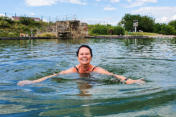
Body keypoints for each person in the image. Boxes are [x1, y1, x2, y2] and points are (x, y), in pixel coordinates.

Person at [17, 44, 145, 86]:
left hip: (95, 81)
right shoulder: (73, 70)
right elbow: (52, 75)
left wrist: (132, 81)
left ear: (91, 56)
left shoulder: (97, 69)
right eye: (82, 54)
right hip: (79, 79)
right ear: (78, 57)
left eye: (87, 54)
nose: (84, 56)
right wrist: (32, 82)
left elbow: (115, 75)